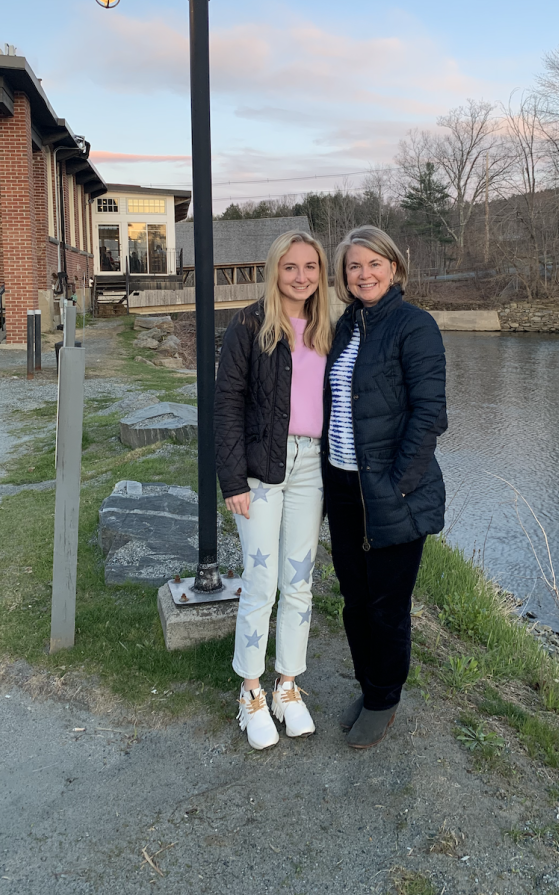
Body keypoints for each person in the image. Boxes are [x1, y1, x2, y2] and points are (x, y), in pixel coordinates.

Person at [322, 225, 447, 749]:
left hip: (393, 492)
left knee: (386, 605)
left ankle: (383, 698)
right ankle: (368, 684)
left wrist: (397, 486)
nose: (364, 274)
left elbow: (429, 415)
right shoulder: (345, 326)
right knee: (353, 598)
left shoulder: (414, 326)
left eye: (374, 264)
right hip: (344, 488)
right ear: (344, 276)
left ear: (393, 268)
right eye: (354, 266)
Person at [215, 230, 332, 749]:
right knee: (260, 582)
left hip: (312, 466)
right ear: (274, 270)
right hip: (262, 468)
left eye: (310, 267)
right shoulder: (249, 324)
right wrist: (232, 480)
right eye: (291, 267)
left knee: (300, 580)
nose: (301, 276)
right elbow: (227, 406)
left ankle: (287, 683)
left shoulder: (332, 325)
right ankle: (250, 691)